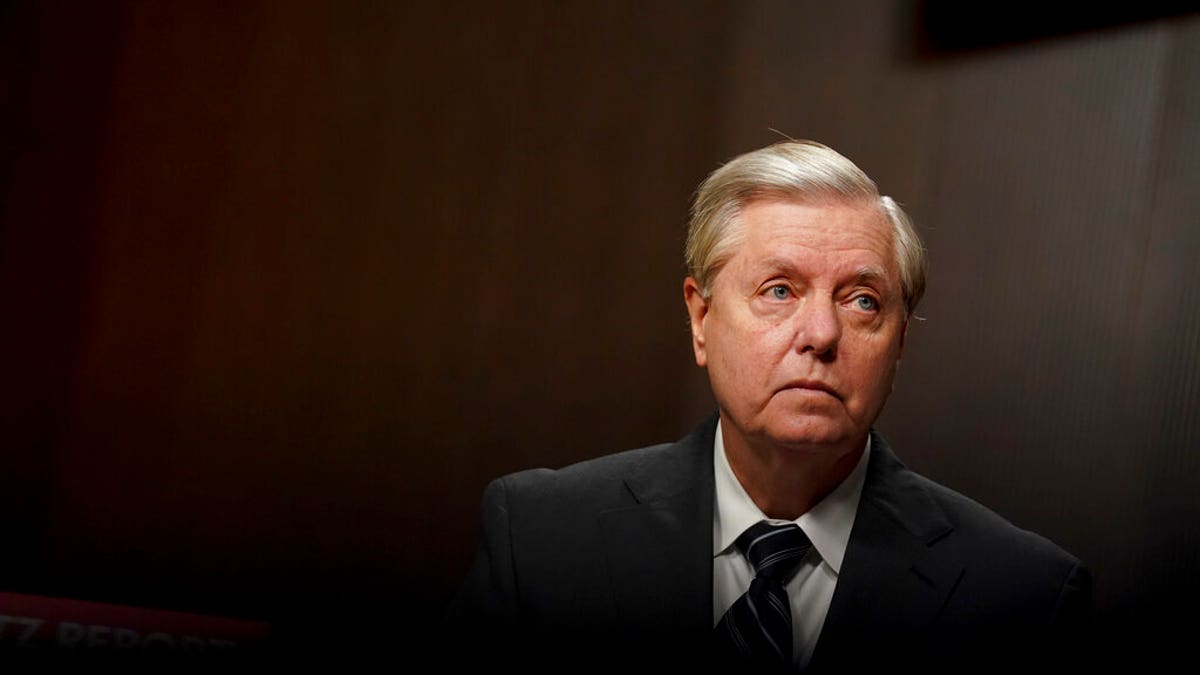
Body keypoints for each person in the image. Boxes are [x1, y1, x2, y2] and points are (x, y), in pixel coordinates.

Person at [443, 140, 1091, 673]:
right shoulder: (541, 538)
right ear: (700, 318)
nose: (822, 333)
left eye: (862, 299)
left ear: (899, 341)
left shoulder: (1022, 597)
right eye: (779, 290)